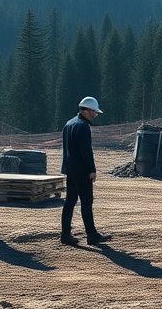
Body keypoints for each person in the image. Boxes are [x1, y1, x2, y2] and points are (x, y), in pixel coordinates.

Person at [61, 96, 111, 246]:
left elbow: (66, 149)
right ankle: (91, 235)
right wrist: (92, 169)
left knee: (69, 202)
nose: (95, 115)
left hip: (70, 170)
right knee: (86, 202)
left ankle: (65, 234)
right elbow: (86, 151)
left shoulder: (69, 124)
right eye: (94, 112)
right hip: (82, 171)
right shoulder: (83, 126)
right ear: (87, 110)